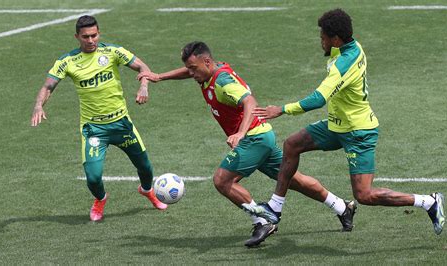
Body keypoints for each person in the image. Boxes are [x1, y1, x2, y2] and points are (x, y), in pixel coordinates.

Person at [243, 8, 445, 235]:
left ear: (336, 40)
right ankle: (275, 208)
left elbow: (318, 99)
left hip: (359, 133)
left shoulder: (343, 64)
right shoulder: (353, 47)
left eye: (323, 38)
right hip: (336, 125)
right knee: (292, 144)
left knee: (364, 195)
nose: (321, 42)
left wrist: (281, 109)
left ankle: (429, 202)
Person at [137, 41, 357, 248]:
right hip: (263, 135)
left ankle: (262, 221)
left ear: (206, 62)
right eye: (189, 69)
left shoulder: (223, 82)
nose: (191, 73)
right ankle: (341, 206)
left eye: (193, 68)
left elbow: (250, 101)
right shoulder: (208, 71)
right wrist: (159, 77)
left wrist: (240, 133)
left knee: (222, 180)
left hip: (254, 138)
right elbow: (188, 71)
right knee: (293, 180)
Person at [30, 15, 167, 222]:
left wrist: (144, 85)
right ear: (77, 37)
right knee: (93, 177)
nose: (91, 40)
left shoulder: (113, 52)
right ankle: (100, 198)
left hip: (121, 124)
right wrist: (39, 105)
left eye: (94, 35)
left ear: (99, 33)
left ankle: (147, 190)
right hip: (94, 129)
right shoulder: (67, 61)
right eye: (85, 37)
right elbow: (48, 86)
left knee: (145, 167)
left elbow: (143, 68)